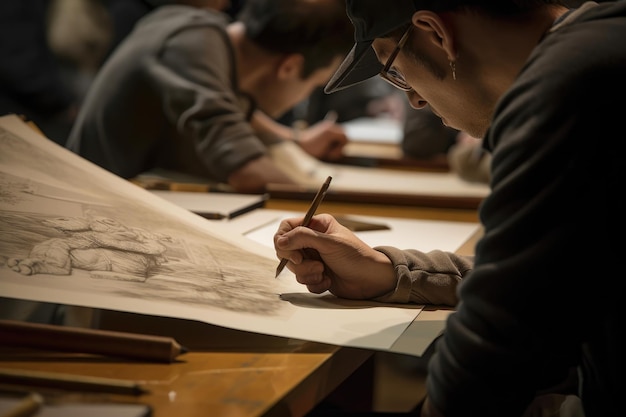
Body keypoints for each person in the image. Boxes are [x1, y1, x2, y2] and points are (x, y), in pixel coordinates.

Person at [273, 1, 625, 416]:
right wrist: (389, 272)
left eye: (396, 70)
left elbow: (492, 351)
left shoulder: (569, 86)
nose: (416, 101)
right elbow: (550, 276)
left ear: (436, 33)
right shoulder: (604, 43)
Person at [66, 0, 353, 192]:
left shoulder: (197, 36)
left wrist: (296, 140)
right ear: (289, 67)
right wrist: (334, 215)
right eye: (315, 84)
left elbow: (229, 111)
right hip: (79, 210)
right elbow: (248, 170)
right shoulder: (190, 41)